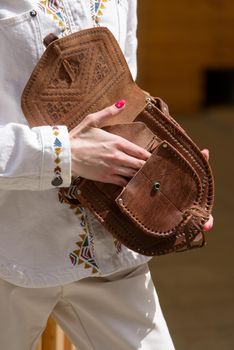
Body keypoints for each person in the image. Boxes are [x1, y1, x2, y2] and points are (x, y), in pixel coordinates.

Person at [0, 1, 213, 349]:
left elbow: (124, 101)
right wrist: (62, 153)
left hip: (113, 248)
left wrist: (173, 168)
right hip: (10, 254)